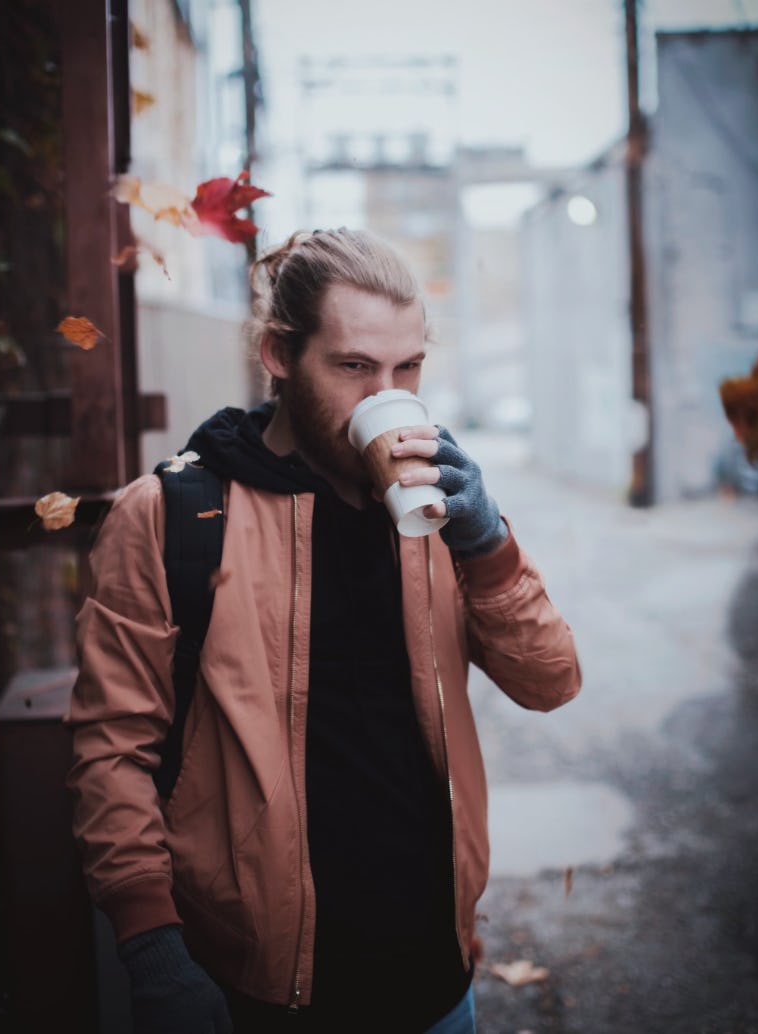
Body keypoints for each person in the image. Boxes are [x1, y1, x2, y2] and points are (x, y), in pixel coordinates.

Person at [67, 227, 581, 1034]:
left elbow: (549, 681)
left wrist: (488, 544)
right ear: (279, 355)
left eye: (406, 368)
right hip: (256, 989)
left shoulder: (441, 512)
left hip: (435, 977)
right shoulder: (171, 517)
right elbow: (111, 748)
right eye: (353, 368)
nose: (385, 393)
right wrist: (153, 949)